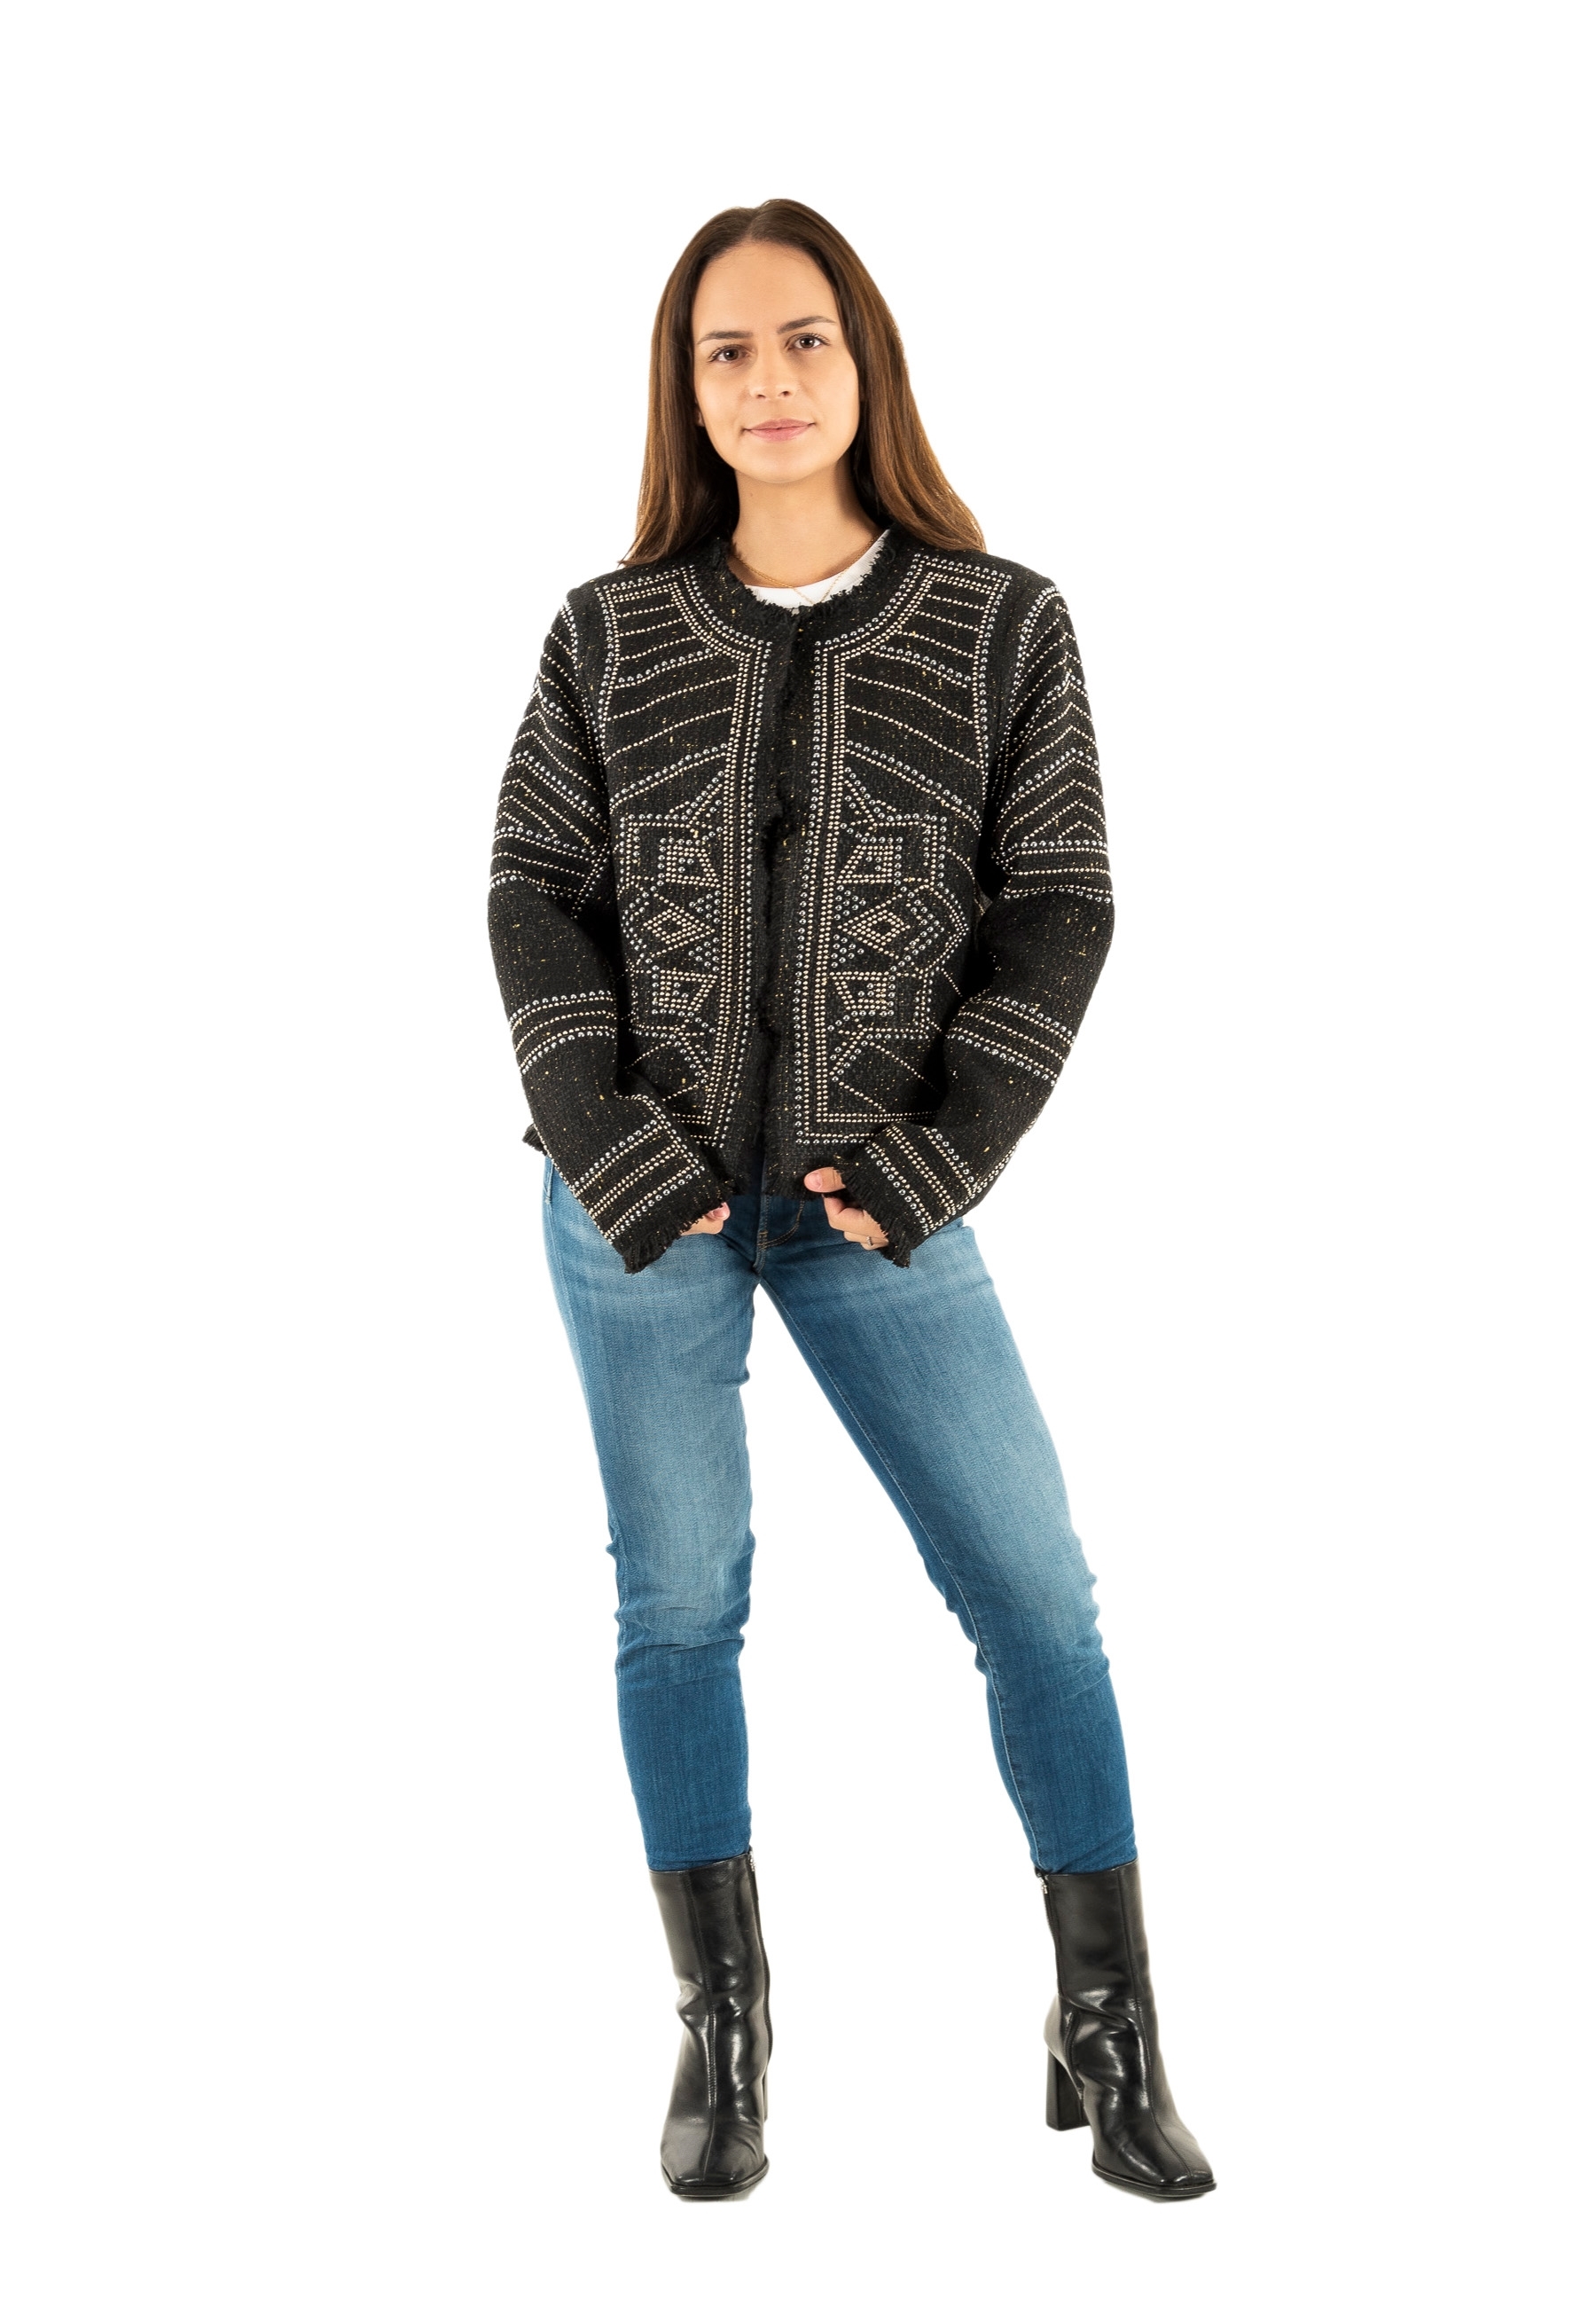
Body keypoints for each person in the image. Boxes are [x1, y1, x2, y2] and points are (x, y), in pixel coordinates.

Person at [488, 199, 1214, 2206]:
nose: (771, 380)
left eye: (805, 338)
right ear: (687, 390)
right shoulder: (608, 632)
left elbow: (1061, 903)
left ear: (866, 359)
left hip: (880, 1196)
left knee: (1037, 1598)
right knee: (679, 1603)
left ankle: (1109, 2023)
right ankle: (722, 2030)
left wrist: (939, 1157)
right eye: (726, 351)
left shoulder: (1002, 623)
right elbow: (531, 886)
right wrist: (609, 1135)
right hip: (638, 1207)